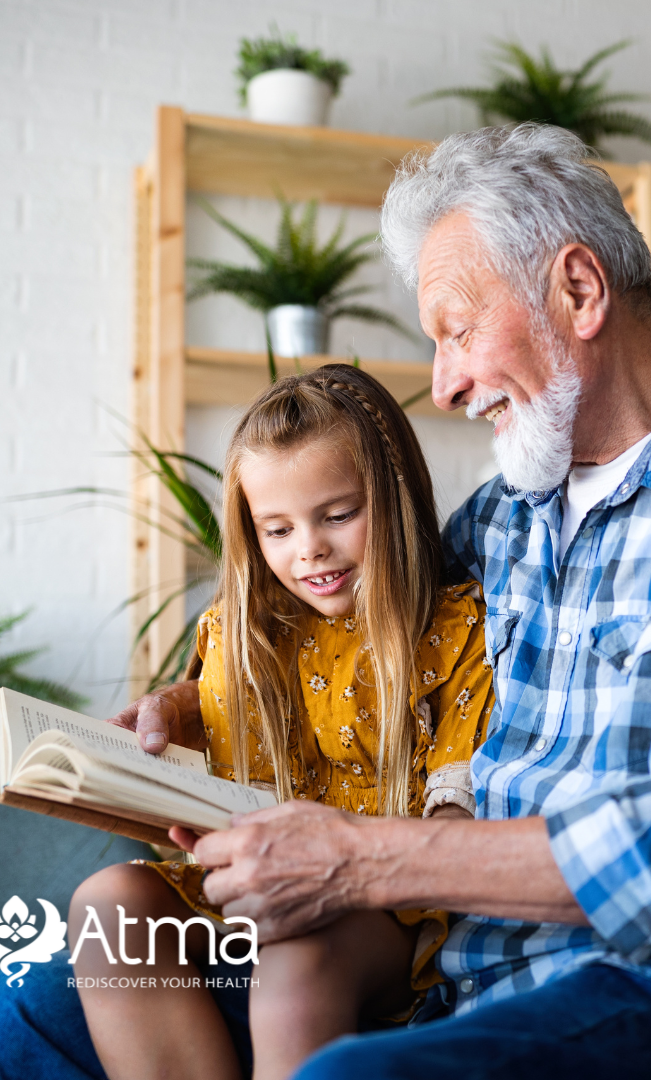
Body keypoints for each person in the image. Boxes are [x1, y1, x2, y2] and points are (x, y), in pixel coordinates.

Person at [0, 124, 651, 1080]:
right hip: (463, 976)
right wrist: (184, 701)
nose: (445, 382)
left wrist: (364, 859)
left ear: (578, 291)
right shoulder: (504, 519)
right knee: (28, 1011)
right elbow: (325, 621)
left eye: (457, 330)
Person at [65, 365, 494, 1080]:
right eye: (278, 528)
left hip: (377, 909)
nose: (310, 549)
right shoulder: (242, 633)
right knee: (108, 904)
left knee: (295, 953)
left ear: (392, 498)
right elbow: (212, 729)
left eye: (338, 514)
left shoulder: (455, 632)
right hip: (248, 885)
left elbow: (452, 823)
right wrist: (150, 771)